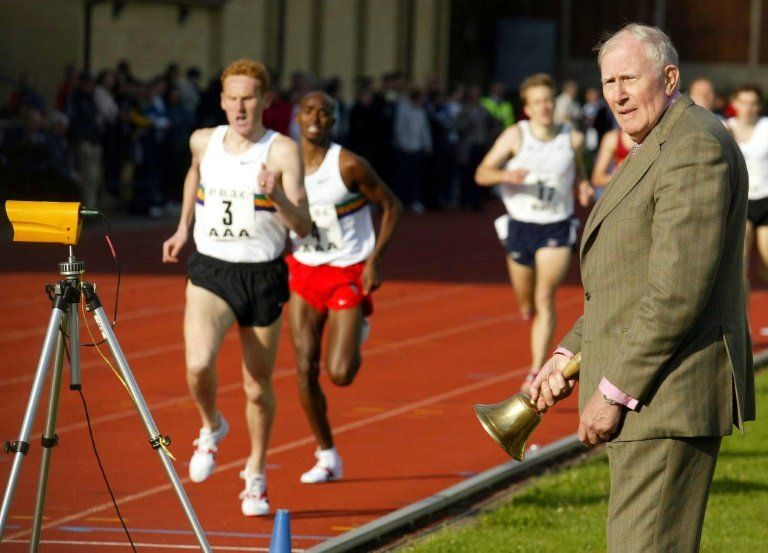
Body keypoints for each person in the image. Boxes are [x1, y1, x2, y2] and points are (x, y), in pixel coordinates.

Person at [529, 24, 754, 552]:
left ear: (670, 78)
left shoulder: (692, 145)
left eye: (629, 79)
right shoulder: (665, 138)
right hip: (655, 396)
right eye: (609, 82)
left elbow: (676, 291)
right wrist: (566, 355)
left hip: (665, 396)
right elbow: (631, 283)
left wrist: (613, 390)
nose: (618, 95)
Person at [162, 58, 311, 517]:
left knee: (257, 386)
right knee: (197, 364)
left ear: (265, 101)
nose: (241, 107)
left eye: (249, 98)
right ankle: (211, 426)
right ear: (222, 101)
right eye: (233, 98)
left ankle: (256, 473)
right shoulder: (203, 141)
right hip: (212, 269)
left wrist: (276, 195)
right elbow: (194, 173)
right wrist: (183, 227)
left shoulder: (282, 151)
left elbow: (303, 225)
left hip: (262, 275)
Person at [288, 91, 402, 483]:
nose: (315, 118)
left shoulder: (349, 165)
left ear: (333, 121)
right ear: (297, 117)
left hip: (346, 271)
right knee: (304, 368)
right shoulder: (284, 163)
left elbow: (392, 206)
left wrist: (375, 261)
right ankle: (326, 455)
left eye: (324, 113)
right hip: (304, 271)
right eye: (309, 111)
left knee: (339, 374)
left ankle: (357, 328)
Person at [474, 73, 593, 393]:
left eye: (549, 100)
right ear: (527, 108)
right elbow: (482, 174)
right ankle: (527, 309)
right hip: (521, 225)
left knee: (545, 295)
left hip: (556, 223)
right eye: (538, 102)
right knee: (526, 302)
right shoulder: (515, 136)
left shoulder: (571, 137)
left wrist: (582, 185)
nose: (545, 106)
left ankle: (535, 368)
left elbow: (578, 170)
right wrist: (506, 175)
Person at [726, 84, 768, 334]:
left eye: (753, 103)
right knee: (739, 265)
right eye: (744, 102)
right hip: (741, 201)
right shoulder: (724, 127)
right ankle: (744, 327)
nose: (748, 108)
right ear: (735, 103)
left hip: (765, 200)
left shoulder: (766, 127)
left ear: (759, 106)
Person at [590, 128, 635, 197]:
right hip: (622, 194)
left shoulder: (650, 136)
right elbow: (596, 179)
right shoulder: (612, 138)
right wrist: (622, 176)